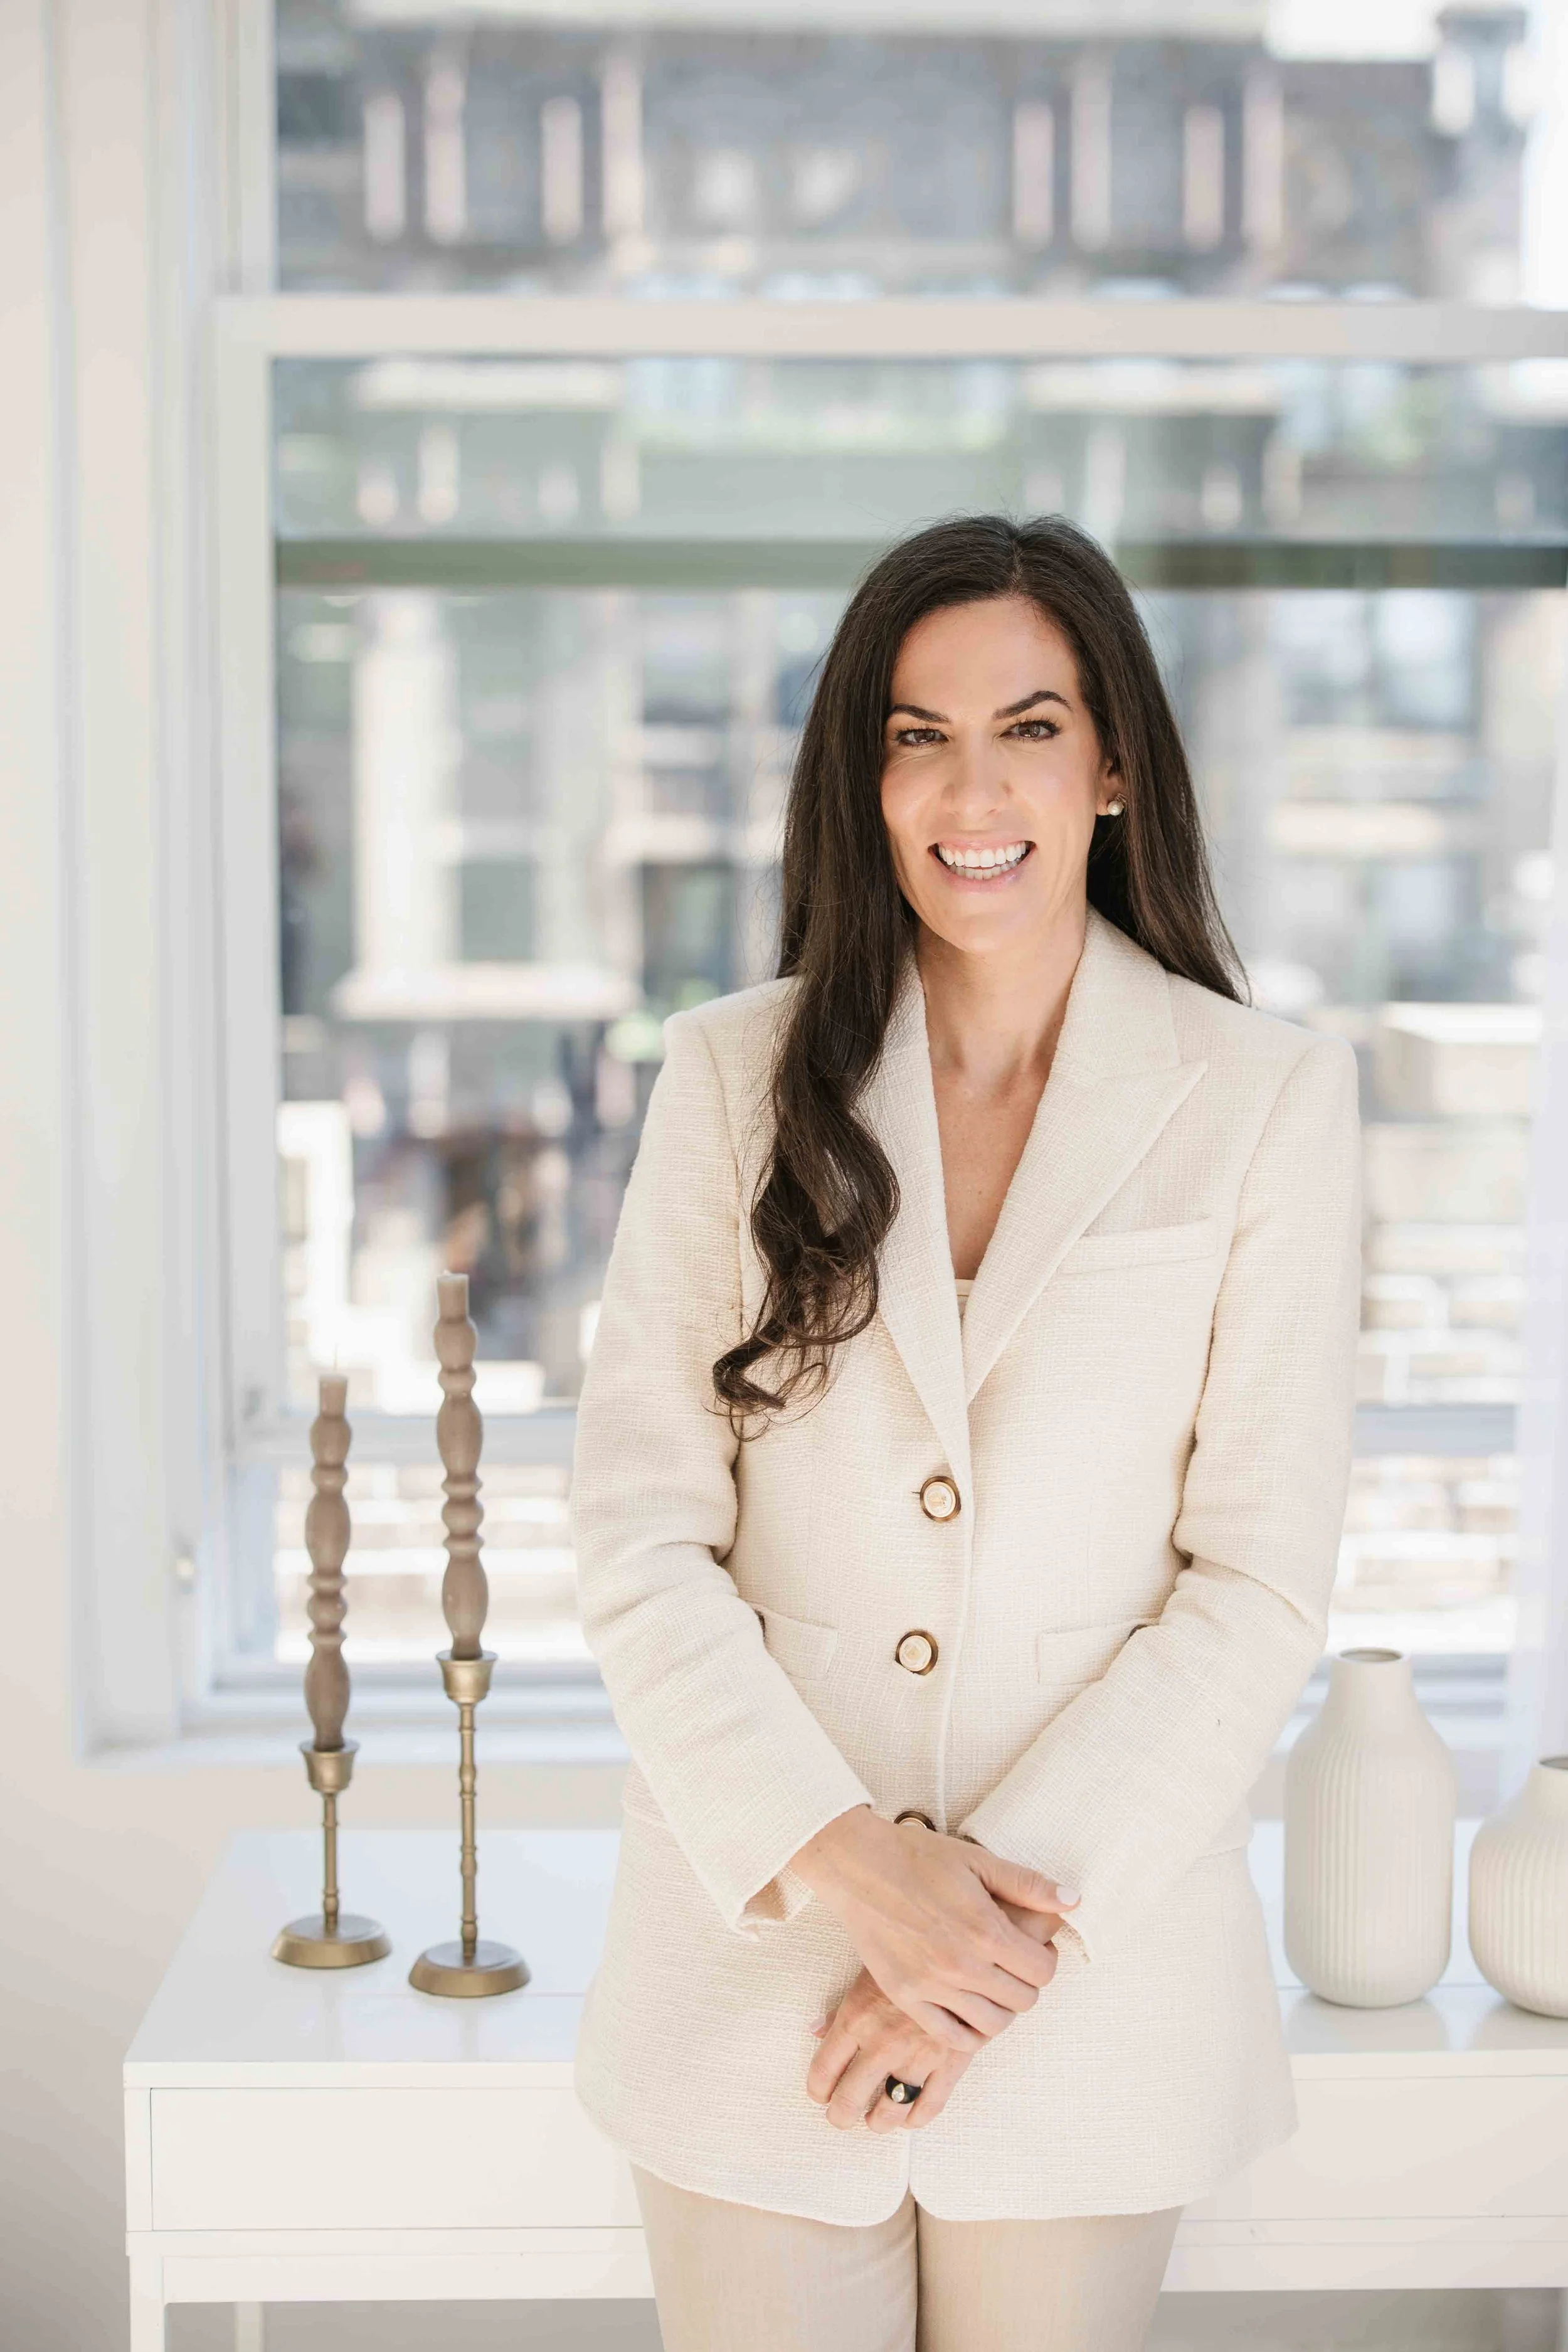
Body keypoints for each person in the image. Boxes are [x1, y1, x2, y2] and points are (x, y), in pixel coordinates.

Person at [569, 514, 1362, 2352]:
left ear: (1110, 766)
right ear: (862, 777)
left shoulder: (1266, 1099)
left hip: (1088, 1995)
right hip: (754, 1979)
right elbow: (637, 1538)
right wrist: (855, 1868)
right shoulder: (728, 1081)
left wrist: (966, 1959)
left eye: (1025, 723)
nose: (968, 785)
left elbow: (1251, 1581)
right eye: (914, 734)